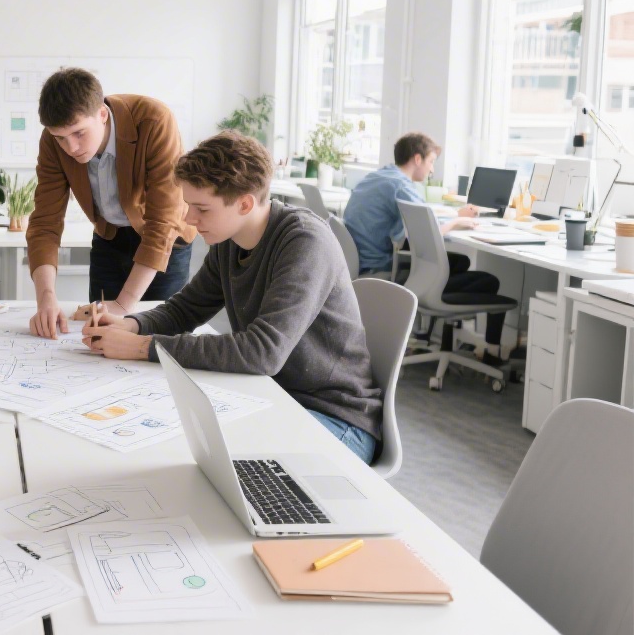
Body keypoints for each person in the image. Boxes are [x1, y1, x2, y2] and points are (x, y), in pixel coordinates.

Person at [81, 131, 383, 464]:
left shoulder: (305, 242)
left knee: (211, 462)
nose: (189, 220)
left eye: (201, 209)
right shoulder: (230, 238)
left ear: (244, 203)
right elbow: (186, 309)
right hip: (273, 398)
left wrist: (144, 347)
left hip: (336, 419)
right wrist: (131, 326)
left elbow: (262, 352)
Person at [26, 67, 196, 339]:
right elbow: (45, 223)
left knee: (160, 335)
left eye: (79, 133)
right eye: (61, 138)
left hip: (164, 241)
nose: (71, 148)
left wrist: (123, 305)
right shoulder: (53, 139)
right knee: (99, 335)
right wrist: (46, 298)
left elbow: (163, 221)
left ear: (102, 115)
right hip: (109, 238)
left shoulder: (155, 120)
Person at [343, 132, 508, 361]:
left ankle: (428, 337)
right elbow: (424, 233)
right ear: (417, 159)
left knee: (460, 262)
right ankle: (491, 352)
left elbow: (420, 223)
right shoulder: (401, 185)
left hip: (363, 260)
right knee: (488, 280)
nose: (432, 170)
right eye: (431, 162)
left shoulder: (379, 176)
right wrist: (457, 221)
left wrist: (452, 218)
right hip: (379, 267)